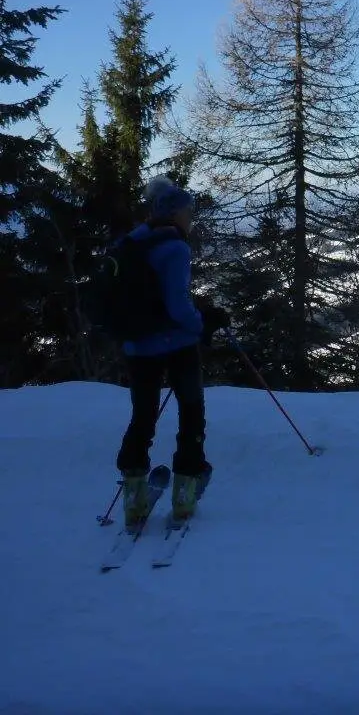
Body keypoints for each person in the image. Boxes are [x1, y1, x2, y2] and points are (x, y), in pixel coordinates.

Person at [114, 177, 230, 526]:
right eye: (187, 211)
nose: (190, 218)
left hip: (138, 345)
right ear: (174, 212)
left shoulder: (131, 242)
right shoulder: (176, 248)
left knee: (143, 417)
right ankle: (184, 493)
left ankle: (133, 499)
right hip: (176, 344)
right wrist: (201, 324)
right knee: (191, 413)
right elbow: (178, 306)